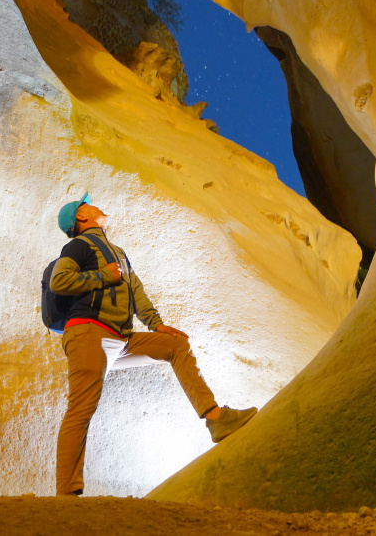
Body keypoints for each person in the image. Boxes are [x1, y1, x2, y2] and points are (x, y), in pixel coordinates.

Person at [50, 192, 257, 496]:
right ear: (81, 217)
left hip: (120, 338)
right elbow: (59, 281)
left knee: (175, 345)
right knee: (81, 410)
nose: (97, 205)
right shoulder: (78, 245)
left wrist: (156, 324)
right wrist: (101, 276)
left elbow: (135, 291)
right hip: (88, 333)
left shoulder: (117, 251)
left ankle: (216, 419)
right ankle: (66, 495)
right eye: (88, 204)